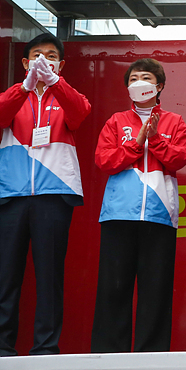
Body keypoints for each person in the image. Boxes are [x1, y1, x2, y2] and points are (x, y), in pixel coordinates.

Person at [92, 58, 186, 353]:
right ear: (128, 87)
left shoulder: (174, 121)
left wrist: (156, 140)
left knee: (156, 290)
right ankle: (110, 354)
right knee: (114, 288)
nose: (139, 82)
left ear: (159, 85)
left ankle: (152, 354)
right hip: (118, 214)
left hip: (159, 216)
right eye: (133, 78)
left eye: (146, 77)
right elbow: (104, 161)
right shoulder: (116, 121)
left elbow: (181, 158)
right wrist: (136, 143)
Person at [0, 34, 91, 356]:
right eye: (37, 55)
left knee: (49, 274)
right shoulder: (14, 97)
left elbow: (81, 112)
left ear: (61, 65)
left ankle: (46, 347)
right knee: (6, 274)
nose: (43, 60)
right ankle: (2, 347)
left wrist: (55, 83)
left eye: (51, 56)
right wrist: (25, 86)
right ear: (25, 63)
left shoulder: (64, 97)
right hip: (11, 195)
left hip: (53, 194)